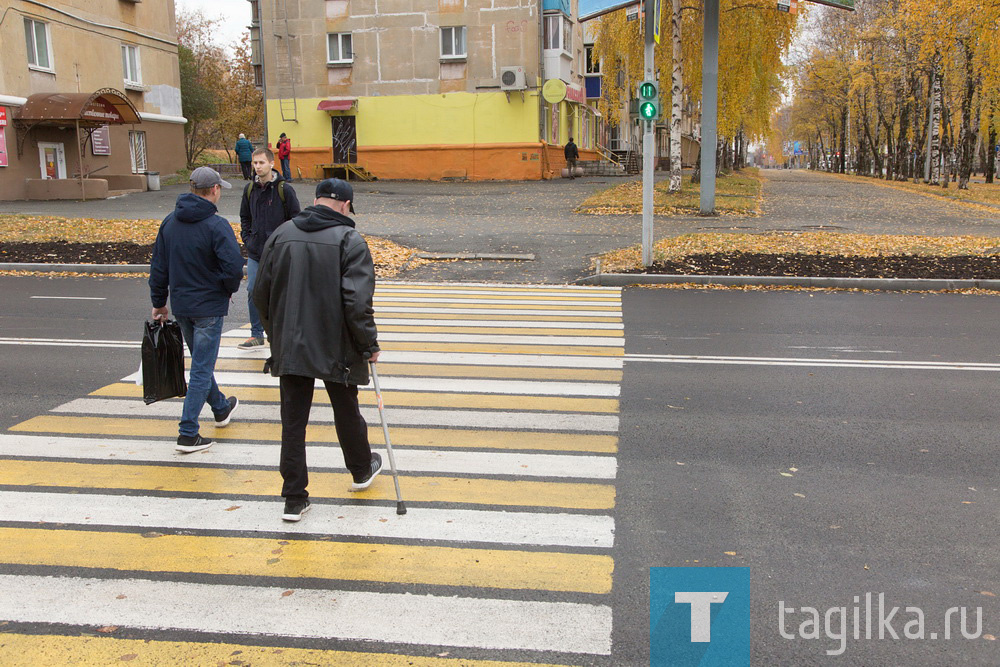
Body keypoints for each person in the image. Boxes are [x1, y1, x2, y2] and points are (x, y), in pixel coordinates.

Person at [253, 178, 382, 522]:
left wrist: (274, 333)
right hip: (336, 347)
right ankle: (360, 470)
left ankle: (294, 498)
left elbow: (260, 292)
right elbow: (357, 302)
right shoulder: (349, 240)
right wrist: (368, 344)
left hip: (291, 346)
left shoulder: (281, 234)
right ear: (345, 205)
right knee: (346, 410)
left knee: (293, 422)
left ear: (316, 200)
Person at [149, 166, 244, 453]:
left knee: (202, 363)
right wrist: (226, 290)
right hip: (209, 308)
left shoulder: (169, 222)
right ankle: (188, 432)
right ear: (214, 190)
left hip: (182, 306)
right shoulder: (217, 225)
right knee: (202, 368)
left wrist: (159, 302)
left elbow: (159, 267)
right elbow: (233, 268)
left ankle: (220, 407)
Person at [238, 147, 301, 350]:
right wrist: (248, 239)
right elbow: (245, 218)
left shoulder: (284, 190)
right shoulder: (249, 190)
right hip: (256, 252)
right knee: (253, 290)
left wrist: (287, 243)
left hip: (280, 252)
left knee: (280, 293)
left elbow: (296, 219)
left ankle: (280, 333)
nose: (257, 167)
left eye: (261, 162)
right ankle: (256, 334)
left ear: (272, 164)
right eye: (254, 163)